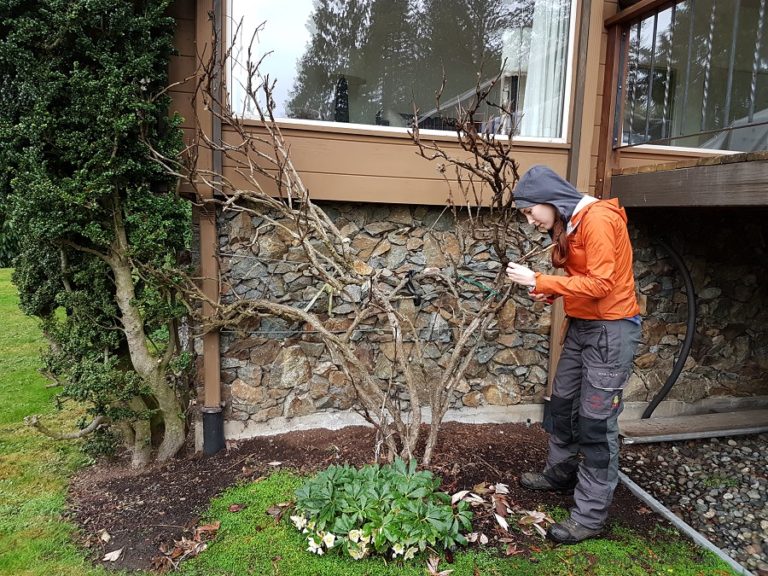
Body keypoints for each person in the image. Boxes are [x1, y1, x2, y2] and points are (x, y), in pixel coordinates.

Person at [505, 165, 641, 544]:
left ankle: (590, 517)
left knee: (597, 425)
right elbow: (579, 282)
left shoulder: (597, 219)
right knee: (562, 404)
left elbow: (601, 283)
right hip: (583, 327)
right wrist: (550, 291)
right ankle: (560, 474)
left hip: (610, 332)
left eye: (531, 211)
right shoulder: (572, 223)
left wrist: (540, 280)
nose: (531, 220)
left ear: (550, 199)